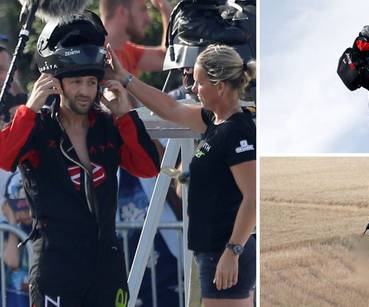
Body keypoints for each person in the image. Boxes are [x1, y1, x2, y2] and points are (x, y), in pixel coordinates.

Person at [0, 11, 160, 307]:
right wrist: (30, 107)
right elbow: (4, 156)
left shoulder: (108, 126)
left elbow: (149, 167)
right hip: (56, 269)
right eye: (76, 82)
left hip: (107, 269)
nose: (85, 91)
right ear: (55, 83)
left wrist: (125, 113)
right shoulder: (37, 127)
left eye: (91, 81)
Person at [107, 43, 256, 306]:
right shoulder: (215, 120)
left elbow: (253, 198)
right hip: (214, 252)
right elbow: (170, 108)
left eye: (199, 83)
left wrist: (233, 251)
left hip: (226, 254)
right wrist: (126, 79)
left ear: (219, 86)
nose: (194, 89)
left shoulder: (237, 130)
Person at [100, 0, 172, 76]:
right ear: (122, 12)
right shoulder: (90, 50)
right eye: (142, 10)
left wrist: (165, 7)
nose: (148, 19)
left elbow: (167, 58)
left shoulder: (128, 51)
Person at [2, 170, 32, 307]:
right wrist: (13, 222)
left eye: (28, 208)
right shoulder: (8, 229)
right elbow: (12, 261)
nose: (26, 214)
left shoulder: (42, 229)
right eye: (19, 208)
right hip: (13, 302)